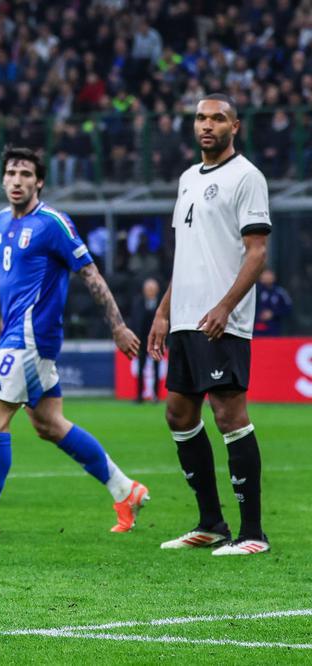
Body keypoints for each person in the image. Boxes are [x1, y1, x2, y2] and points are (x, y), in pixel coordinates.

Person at [0, 146, 148, 536]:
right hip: (18, 334)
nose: (17, 181)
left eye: (25, 175)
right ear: (2, 179)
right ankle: (125, 489)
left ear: (39, 181)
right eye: (12, 173)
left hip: (32, 336)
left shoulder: (53, 223)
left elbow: (90, 274)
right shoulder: (1, 221)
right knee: (49, 424)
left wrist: (117, 325)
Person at [147, 94, 272, 556]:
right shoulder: (186, 179)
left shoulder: (247, 177)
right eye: (201, 117)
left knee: (228, 415)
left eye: (217, 118)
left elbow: (256, 252)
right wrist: (163, 312)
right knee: (179, 415)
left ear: (234, 126)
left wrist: (224, 306)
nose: (207, 125)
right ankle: (211, 522)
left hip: (222, 321)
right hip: (184, 318)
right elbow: (187, 256)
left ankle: (253, 533)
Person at [130, 278, 162, 402]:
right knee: (140, 368)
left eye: (152, 289)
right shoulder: (138, 303)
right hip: (142, 341)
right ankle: (139, 395)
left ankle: (156, 395)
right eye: (148, 289)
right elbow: (134, 322)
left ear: (157, 290)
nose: (150, 292)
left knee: (157, 368)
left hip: (157, 341)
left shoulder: (161, 305)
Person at [253, 268, 292, 336]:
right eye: (265, 274)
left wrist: (273, 313)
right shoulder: (255, 291)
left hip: (274, 328)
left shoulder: (280, 292)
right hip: (256, 328)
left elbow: (288, 308)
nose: (267, 277)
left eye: (269, 274)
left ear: (274, 277)